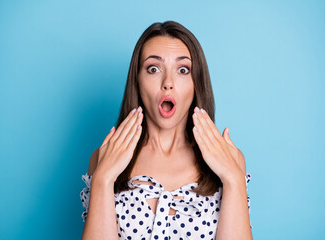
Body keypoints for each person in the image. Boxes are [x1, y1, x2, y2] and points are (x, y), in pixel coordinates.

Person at [80, 20, 252, 240]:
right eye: (153, 69)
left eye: (182, 70)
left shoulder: (231, 160)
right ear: (138, 81)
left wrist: (233, 179)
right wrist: (103, 178)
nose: (168, 82)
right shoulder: (103, 158)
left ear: (196, 83)